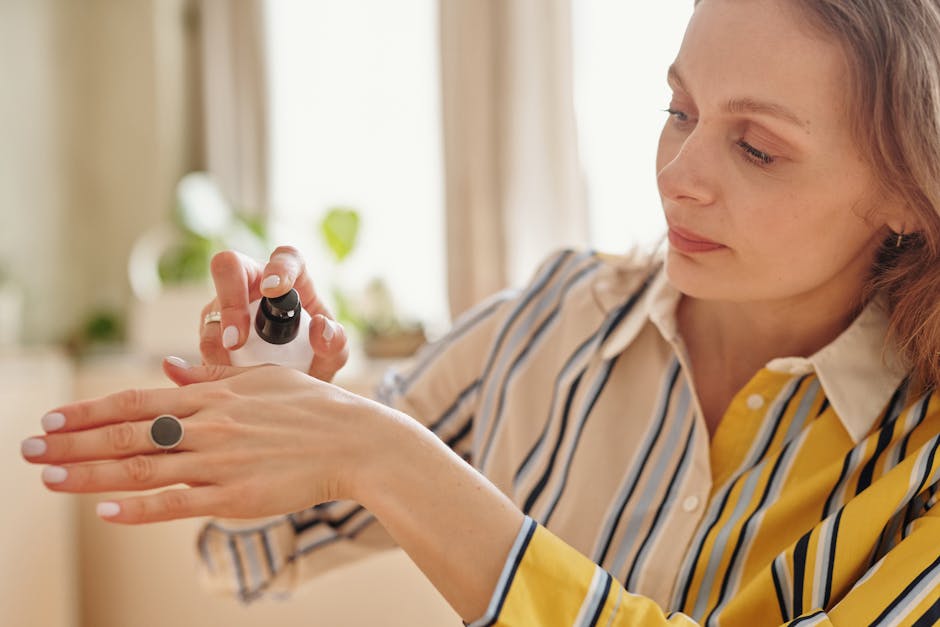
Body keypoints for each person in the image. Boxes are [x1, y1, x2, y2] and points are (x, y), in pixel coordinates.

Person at [20, 0, 940, 624]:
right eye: (679, 109)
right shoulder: (548, 322)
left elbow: (373, 458)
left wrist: (384, 455)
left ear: (908, 189)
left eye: (758, 148)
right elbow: (253, 546)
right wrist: (273, 394)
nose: (678, 174)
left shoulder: (919, 460)